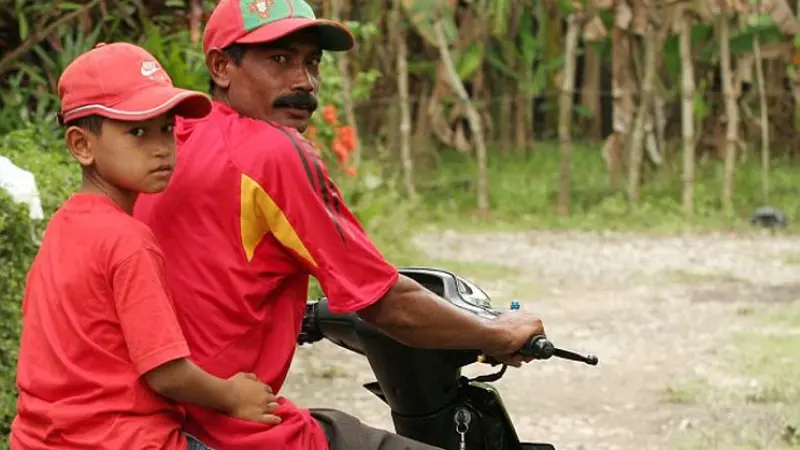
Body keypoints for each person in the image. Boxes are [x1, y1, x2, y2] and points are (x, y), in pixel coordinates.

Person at [133, 0, 547, 449]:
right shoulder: (271, 152)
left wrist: (302, 318)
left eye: (312, 62)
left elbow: (211, 273)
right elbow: (386, 304)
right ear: (221, 66)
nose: (304, 82)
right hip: (227, 427)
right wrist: (499, 334)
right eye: (279, 59)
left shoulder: (170, 142)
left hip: (154, 417)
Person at [10, 42, 283, 450]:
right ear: (82, 145)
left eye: (167, 129)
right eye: (137, 132)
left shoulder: (64, 226)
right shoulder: (128, 239)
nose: (161, 148)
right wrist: (232, 396)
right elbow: (166, 372)